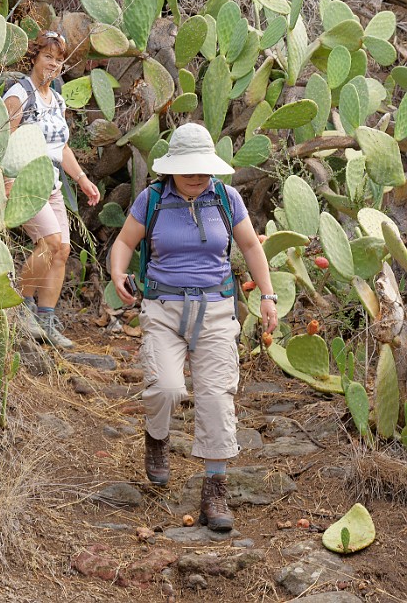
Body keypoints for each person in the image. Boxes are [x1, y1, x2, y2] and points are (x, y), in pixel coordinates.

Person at [110, 122, 278, 531]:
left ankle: (214, 491)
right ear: (171, 168)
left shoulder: (225, 198)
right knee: (165, 388)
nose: (198, 177)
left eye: (204, 169)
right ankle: (157, 438)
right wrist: (118, 274)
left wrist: (269, 295)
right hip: (164, 309)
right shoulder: (151, 200)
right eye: (189, 169)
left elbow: (252, 245)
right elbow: (124, 242)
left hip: (216, 311)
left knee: (218, 398)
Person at [3, 30, 100, 349]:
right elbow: (2, 140)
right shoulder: (20, 95)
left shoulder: (56, 98)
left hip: (53, 185)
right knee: (48, 243)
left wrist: (82, 179)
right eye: (48, 58)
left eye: (59, 61)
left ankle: (45, 319)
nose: (53, 65)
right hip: (27, 183)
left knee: (63, 250)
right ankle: (20, 306)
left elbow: (63, 146)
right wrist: (7, 180)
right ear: (34, 58)